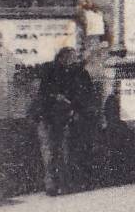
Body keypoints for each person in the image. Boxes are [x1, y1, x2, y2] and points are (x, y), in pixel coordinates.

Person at [31, 46, 95, 196]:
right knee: (50, 150)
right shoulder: (50, 70)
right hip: (47, 116)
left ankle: (63, 183)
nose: (74, 60)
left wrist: (73, 107)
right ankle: (52, 184)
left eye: (76, 58)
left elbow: (84, 95)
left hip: (65, 116)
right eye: (71, 58)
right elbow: (43, 93)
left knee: (64, 150)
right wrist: (56, 96)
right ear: (62, 58)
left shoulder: (79, 73)